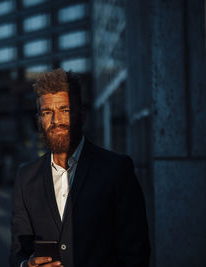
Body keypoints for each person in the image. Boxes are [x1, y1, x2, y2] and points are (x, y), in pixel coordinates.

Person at [10, 69, 150, 267]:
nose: (56, 120)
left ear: (82, 116)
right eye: (47, 112)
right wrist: (26, 265)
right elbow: (17, 252)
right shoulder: (25, 176)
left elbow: (136, 254)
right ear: (38, 121)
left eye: (64, 110)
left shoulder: (117, 170)